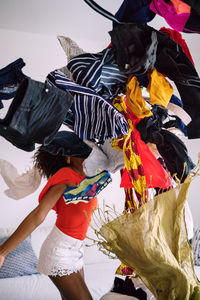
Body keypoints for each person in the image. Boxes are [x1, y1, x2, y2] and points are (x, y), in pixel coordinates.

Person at [0, 130, 98, 300]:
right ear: (68, 157)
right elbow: (38, 215)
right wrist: (3, 252)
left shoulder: (89, 179)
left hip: (76, 251)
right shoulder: (65, 176)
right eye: (82, 155)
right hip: (59, 253)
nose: (88, 159)